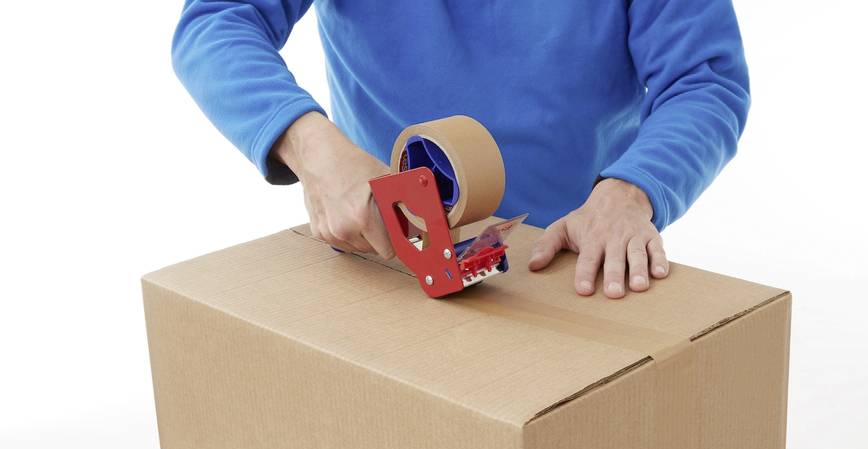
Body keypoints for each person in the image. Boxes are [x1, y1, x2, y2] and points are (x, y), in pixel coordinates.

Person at [172, 1, 749, 299]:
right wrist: (314, 149)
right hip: (387, 256)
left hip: (569, 259)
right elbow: (217, 21)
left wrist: (631, 192)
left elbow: (704, 82)